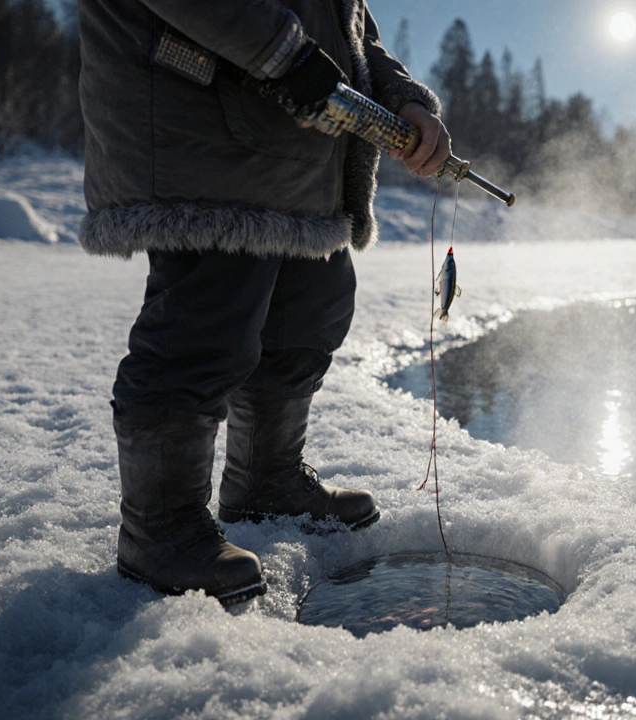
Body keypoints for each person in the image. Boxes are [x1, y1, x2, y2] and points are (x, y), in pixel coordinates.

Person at [76, 0, 450, 605]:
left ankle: (266, 482)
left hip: (301, 157)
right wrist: (286, 54)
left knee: (312, 311)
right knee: (204, 330)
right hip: (200, 130)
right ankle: (160, 530)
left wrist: (402, 98)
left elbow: (348, 27)